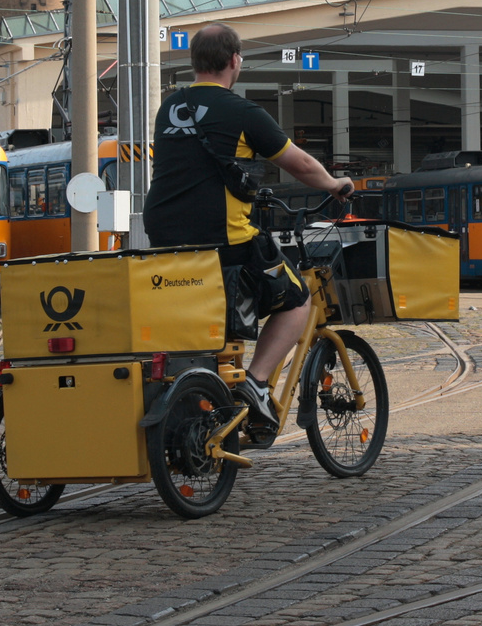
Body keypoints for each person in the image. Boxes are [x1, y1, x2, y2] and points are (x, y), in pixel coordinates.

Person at [144, 22, 353, 426]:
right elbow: (300, 164)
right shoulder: (241, 112)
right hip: (221, 236)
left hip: (164, 234)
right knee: (297, 299)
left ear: (195, 61)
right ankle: (256, 383)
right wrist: (334, 184)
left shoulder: (170, 107)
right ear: (235, 61)